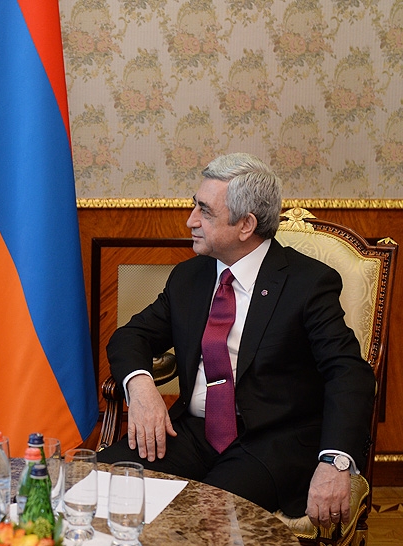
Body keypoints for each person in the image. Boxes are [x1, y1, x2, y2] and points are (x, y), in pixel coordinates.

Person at [98, 153, 375, 528]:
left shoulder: (308, 283)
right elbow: (132, 335)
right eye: (195, 205)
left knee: (204, 522)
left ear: (246, 225)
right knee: (102, 486)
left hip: (270, 443)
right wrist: (141, 386)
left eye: (205, 211)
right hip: (191, 433)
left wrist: (335, 460)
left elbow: (348, 373)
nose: (191, 220)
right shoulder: (189, 277)